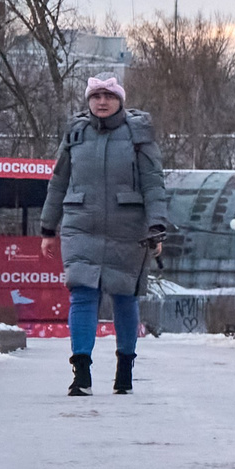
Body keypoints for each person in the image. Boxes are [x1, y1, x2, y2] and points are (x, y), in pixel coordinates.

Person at [39, 76, 173, 398]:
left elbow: (153, 184)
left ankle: (125, 366)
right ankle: (81, 370)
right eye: (96, 96)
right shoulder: (75, 134)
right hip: (80, 223)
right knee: (83, 294)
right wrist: (48, 226)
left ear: (119, 100)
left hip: (128, 227)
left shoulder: (138, 135)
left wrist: (157, 226)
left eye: (108, 96)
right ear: (88, 100)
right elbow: (59, 182)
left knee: (124, 296)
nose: (101, 101)